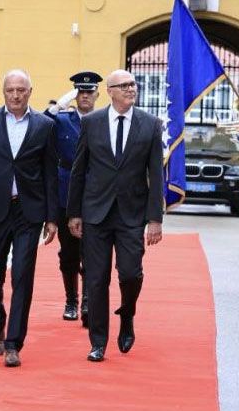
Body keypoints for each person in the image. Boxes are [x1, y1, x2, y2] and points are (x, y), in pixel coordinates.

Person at [0, 69, 59, 368]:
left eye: (21, 90)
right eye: (10, 91)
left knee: (22, 276)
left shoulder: (45, 125)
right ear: (3, 93)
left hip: (29, 211)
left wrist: (52, 217)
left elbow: (50, 174)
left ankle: (14, 342)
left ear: (30, 91)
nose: (15, 95)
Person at [67, 69, 165, 362]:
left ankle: (127, 314)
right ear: (109, 91)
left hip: (131, 214)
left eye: (133, 84)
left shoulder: (150, 124)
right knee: (96, 280)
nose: (131, 89)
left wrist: (155, 219)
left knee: (131, 274)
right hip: (95, 213)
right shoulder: (93, 123)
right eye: (124, 85)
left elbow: (155, 174)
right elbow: (79, 169)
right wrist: (74, 213)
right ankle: (98, 341)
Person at [45, 71, 102, 324]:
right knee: (68, 253)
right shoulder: (63, 120)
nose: (85, 96)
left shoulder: (103, 120)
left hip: (95, 192)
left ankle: (89, 301)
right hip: (66, 191)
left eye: (89, 92)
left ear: (98, 95)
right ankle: (72, 300)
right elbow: (40, 123)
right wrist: (59, 105)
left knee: (93, 251)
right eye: (80, 92)